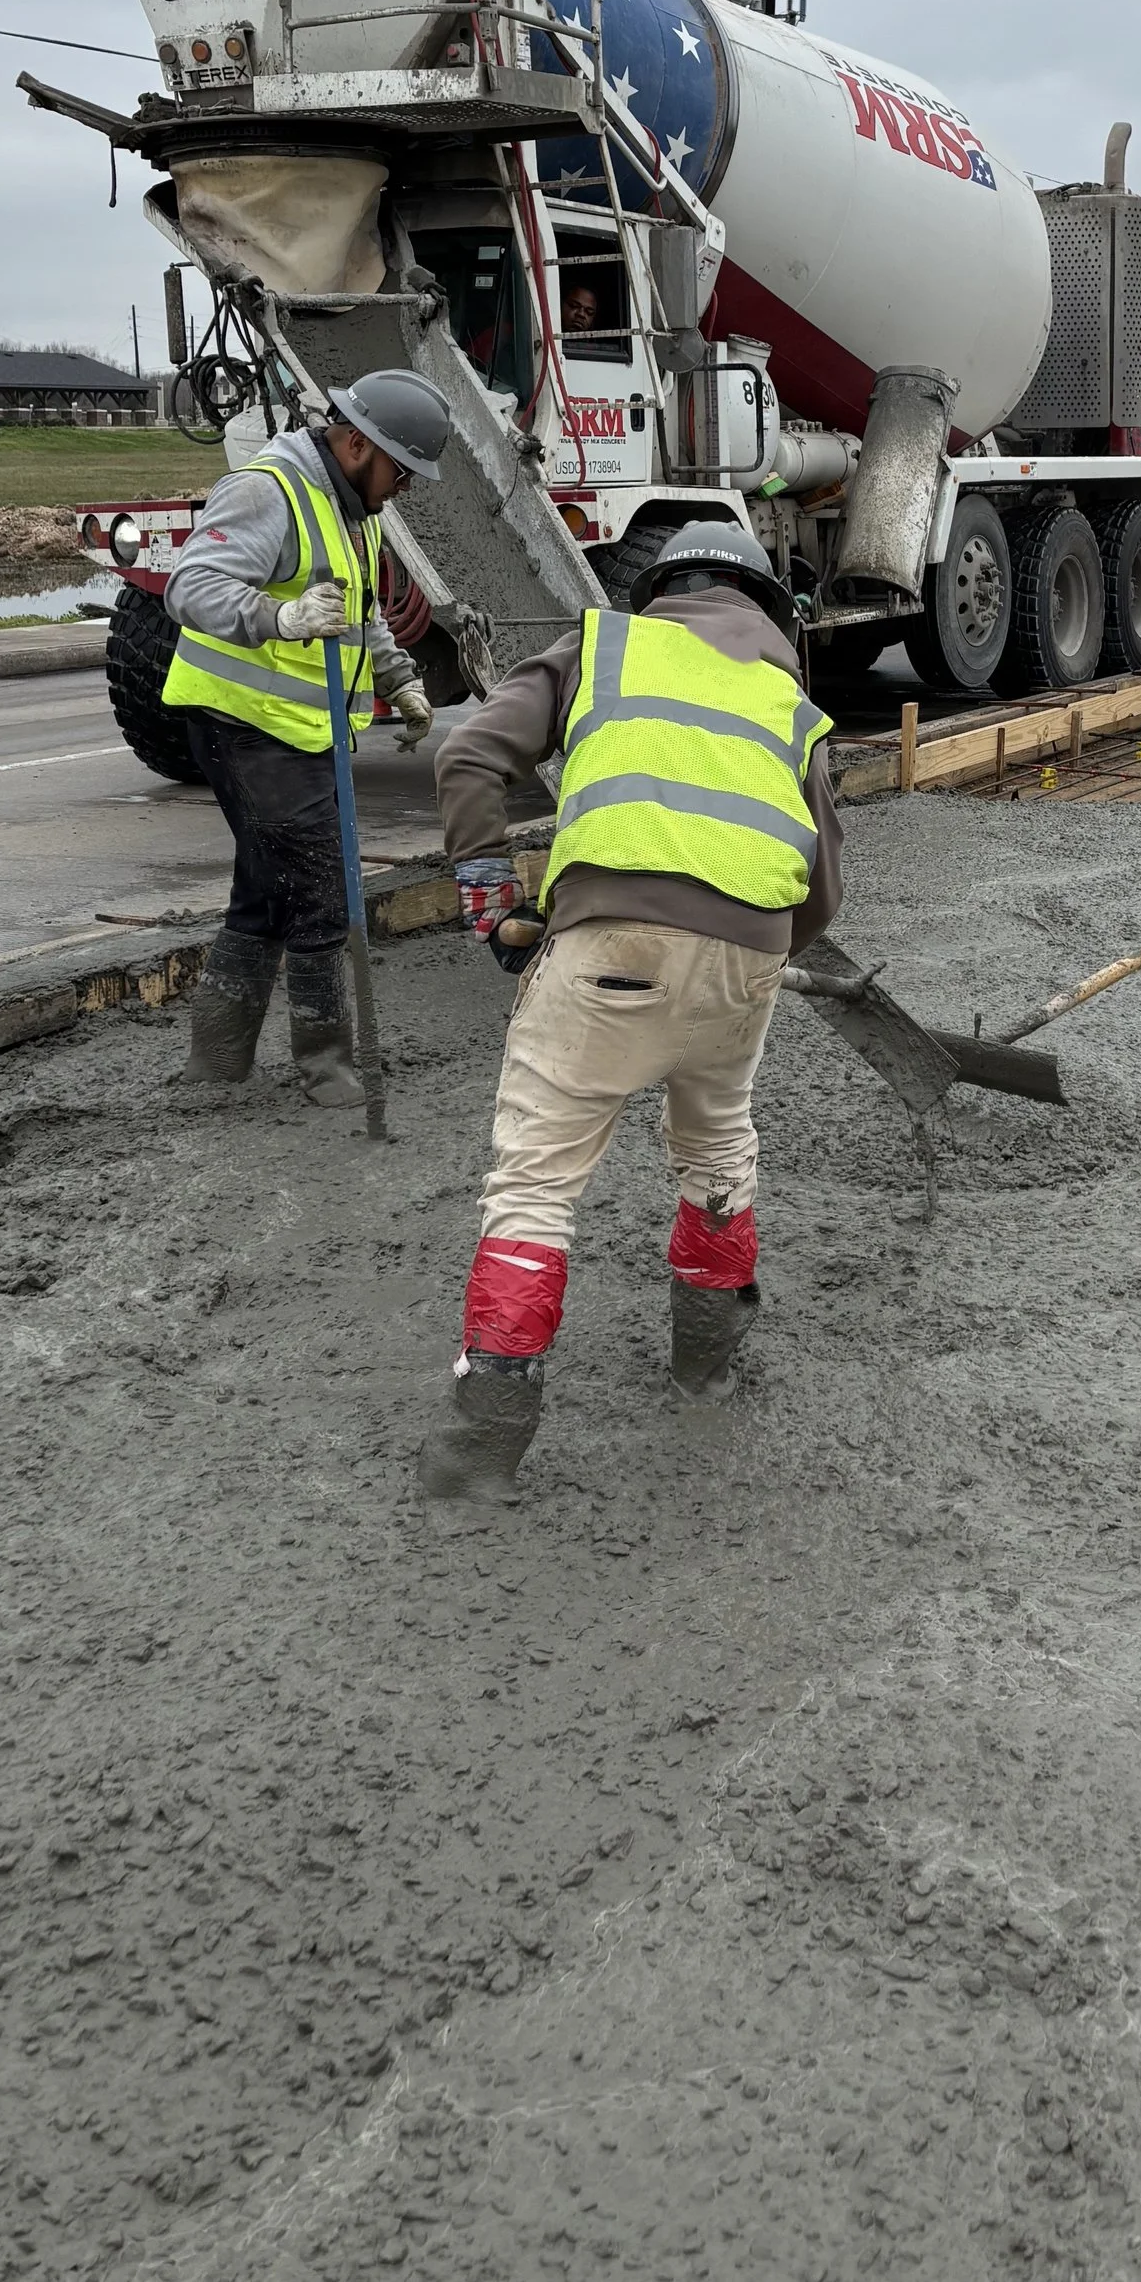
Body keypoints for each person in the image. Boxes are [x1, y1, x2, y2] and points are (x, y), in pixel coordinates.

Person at [423, 520, 841, 1499]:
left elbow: (468, 762)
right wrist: (750, 970)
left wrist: (493, 905)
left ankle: (489, 1432)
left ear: (659, 592)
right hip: (750, 954)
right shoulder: (791, 704)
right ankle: (704, 1357)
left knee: (536, 1179)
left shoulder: (603, 647)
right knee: (715, 1138)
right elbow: (821, 896)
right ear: (766, 610)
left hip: (605, 944)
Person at [162, 369, 449, 1102]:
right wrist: (280, 617)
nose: (405, 486)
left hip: (300, 728)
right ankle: (327, 1063)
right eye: (402, 470)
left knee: (266, 888)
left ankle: (216, 1063)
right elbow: (190, 585)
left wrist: (398, 678)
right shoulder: (269, 491)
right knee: (321, 883)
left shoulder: (357, 509)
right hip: (239, 723)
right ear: (356, 443)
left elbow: (361, 610)